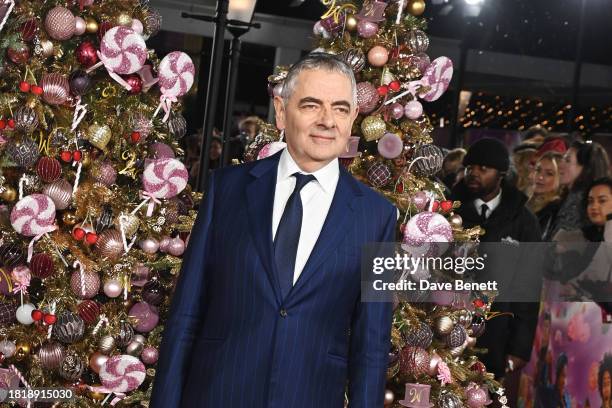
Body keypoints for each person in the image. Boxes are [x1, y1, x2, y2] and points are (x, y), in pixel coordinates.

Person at [150, 53, 397, 408]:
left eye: (341, 109)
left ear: (354, 118)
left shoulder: (377, 216)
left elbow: (371, 345)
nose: (328, 120)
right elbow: (186, 315)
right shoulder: (227, 191)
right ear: (281, 111)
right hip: (217, 394)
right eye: (312, 105)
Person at [451, 137, 541, 407]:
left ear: (501, 174)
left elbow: (528, 286)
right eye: (470, 167)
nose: (474, 174)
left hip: (497, 335)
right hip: (447, 328)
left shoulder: (524, 221)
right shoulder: (449, 209)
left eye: (483, 168)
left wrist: (519, 347)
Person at [552, 140, 610, 237]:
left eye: (567, 160)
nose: (560, 165)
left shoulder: (578, 203)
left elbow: (558, 245)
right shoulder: (570, 197)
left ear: (585, 168)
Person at [527, 151, 564, 241]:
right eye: (538, 170)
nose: (540, 177)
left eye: (549, 174)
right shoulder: (527, 204)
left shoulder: (555, 210)